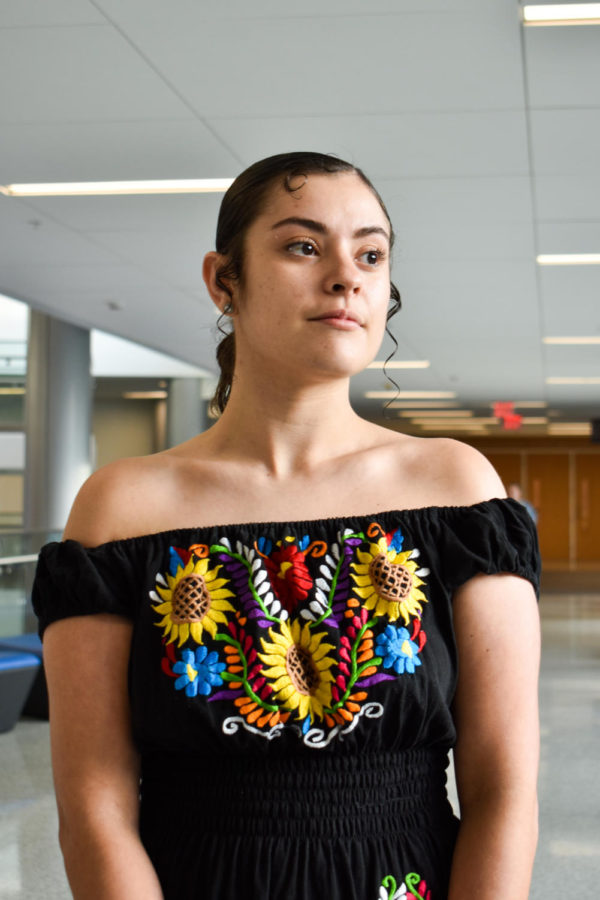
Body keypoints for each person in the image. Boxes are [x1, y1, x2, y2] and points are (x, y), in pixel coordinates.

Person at [32, 152, 541, 900]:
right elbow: (93, 806)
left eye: (370, 254)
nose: (347, 276)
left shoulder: (455, 491)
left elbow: (504, 792)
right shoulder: (123, 510)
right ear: (223, 279)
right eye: (304, 246)